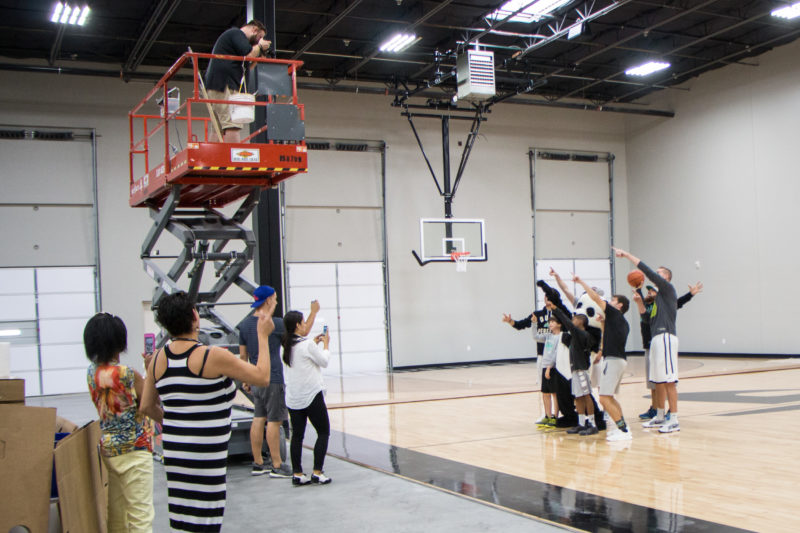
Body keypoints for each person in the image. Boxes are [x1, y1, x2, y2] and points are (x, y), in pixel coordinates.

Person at [139, 291, 274, 532]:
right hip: (205, 454)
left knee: (185, 520)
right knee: (207, 520)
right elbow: (262, 377)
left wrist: (175, 423)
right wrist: (262, 336)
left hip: (175, 451)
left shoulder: (158, 358)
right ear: (194, 316)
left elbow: (147, 406)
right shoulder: (212, 356)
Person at [238, 286, 320, 478]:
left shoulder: (244, 324)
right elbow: (303, 331)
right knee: (274, 422)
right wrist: (313, 312)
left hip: (255, 378)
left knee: (258, 418)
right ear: (267, 301)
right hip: (272, 378)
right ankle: (277, 464)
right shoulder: (272, 324)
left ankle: (258, 463)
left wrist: (246, 378)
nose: (275, 302)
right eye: (274, 299)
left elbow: (243, 356)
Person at [84, 313, 155, 533]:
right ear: (119, 342)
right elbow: (150, 401)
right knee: (140, 515)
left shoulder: (91, 373)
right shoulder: (128, 374)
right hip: (135, 448)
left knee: (117, 513)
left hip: (109, 450)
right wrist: (150, 369)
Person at [613, 247, 681, 433]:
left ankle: (673, 418)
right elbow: (647, 319)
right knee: (658, 381)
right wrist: (639, 303)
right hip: (656, 339)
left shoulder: (668, 290)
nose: (655, 276)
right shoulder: (657, 299)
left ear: (666, 277)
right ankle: (659, 416)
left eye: (659, 274)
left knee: (669, 380)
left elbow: (648, 271)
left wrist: (626, 255)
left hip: (667, 337)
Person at [573, 276, 632, 442]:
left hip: (614, 360)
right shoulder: (620, 321)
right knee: (610, 397)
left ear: (619, 305)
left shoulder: (613, 312)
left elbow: (595, 297)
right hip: (618, 360)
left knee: (604, 397)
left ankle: (623, 431)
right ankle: (624, 428)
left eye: (613, 300)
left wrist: (581, 282)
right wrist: (604, 324)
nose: (610, 301)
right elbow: (607, 338)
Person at [635, 282, 703, 420]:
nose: (649, 293)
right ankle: (655, 409)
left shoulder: (664, 307)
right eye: (647, 292)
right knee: (654, 383)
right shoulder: (649, 307)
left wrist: (690, 294)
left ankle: (671, 412)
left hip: (662, 343)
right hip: (650, 346)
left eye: (651, 292)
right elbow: (643, 308)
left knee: (667, 382)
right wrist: (638, 291)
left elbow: (678, 302)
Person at [282, 308, 332, 486]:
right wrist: (325, 345)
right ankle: (317, 472)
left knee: (297, 436)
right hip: (312, 396)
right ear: (297, 325)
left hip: (294, 398)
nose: (305, 325)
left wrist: (313, 342)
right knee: (324, 432)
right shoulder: (307, 345)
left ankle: (297, 473)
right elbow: (324, 361)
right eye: (303, 322)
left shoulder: (287, 344)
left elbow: (303, 352)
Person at [204, 20, 272, 143]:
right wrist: (260, 46)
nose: (258, 41)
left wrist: (260, 53)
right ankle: (234, 161)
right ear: (254, 30)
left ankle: (213, 161)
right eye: (259, 37)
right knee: (233, 124)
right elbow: (249, 54)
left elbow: (248, 65)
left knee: (218, 127)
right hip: (224, 84)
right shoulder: (237, 34)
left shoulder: (235, 43)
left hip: (217, 85)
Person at [548, 301, 597, 436]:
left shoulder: (581, 334)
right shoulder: (576, 335)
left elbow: (566, 322)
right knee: (578, 397)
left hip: (581, 369)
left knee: (586, 395)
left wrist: (556, 309)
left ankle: (592, 423)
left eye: (575, 319)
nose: (572, 320)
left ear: (581, 322)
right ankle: (581, 423)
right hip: (575, 369)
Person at [532, 316, 565, 427]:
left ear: (559, 324)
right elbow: (536, 336)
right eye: (549, 322)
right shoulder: (548, 336)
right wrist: (534, 324)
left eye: (553, 322)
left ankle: (555, 416)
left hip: (553, 368)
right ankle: (547, 415)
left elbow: (556, 353)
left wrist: (550, 367)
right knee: (545, 393)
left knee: (554, 393)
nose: (550, 324)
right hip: (544, 366)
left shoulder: (560, 337)